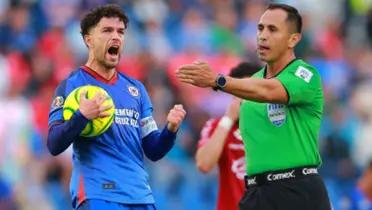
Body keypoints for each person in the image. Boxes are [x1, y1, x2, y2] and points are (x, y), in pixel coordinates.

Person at [176, 3, 331, 210]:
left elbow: (268, 91)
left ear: (293, 39)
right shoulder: (251, 84)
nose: (263, 36)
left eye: (272, 29)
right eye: (260, 28)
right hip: (256, 192)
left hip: (297, 189)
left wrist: (217, 80)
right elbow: (204, 163)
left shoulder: (305, 74)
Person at [47, 4, 186, 210]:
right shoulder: (72, 85)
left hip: (140, 196)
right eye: (107, 30)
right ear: (88, 39)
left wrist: (170, 130)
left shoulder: (136, 89)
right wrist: (81, 116)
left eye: (120, 32)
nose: (116, 37)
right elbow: (54, 144)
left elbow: (153, 150)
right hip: (98, 194)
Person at [195, 62, 259, 210]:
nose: (246, 98)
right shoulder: (217, 126)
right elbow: (204, 164)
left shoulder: (272, 127)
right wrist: (228, 118)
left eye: (250, 91)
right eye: (241, 91)